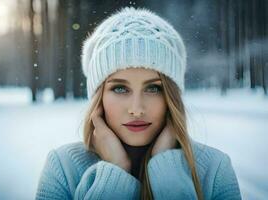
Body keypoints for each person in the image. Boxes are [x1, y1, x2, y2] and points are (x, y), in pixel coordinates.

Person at [35, 6, 242, 200]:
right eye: (120, 88)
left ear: (172, 97)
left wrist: (168, 174)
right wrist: (115, 171)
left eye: (153, 88)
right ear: (99, 98)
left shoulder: (215, 170)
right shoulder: (63, 169)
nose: (136, 109)